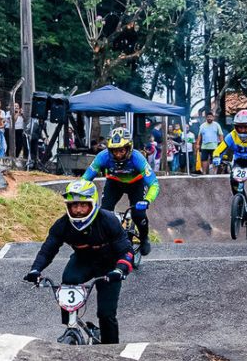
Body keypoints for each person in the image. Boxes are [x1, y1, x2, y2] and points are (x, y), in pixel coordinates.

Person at [23, 180, 134, 345]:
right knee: (68, 280)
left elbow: (127, 251)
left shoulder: (108, 220)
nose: (78, 210)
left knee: (106, 314)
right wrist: (35, 270)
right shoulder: (62, 225)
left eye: (83, 205)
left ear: (92, 204)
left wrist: (120, 269)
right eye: (74, 206)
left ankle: (112, 350)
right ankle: (70, 325)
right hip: (83, 260)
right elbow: (48, 250)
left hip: (110, 265)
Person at [82, 127, 159, 255]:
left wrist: (147, 200)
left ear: (129, 148)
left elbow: (154, 184)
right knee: (104, 213)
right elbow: (85, 179)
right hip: (114, 183)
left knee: (138, 214)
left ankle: (144, 238)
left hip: (136, 184)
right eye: (114, 151)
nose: (117, 154)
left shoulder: (137, 158)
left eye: (121, 150)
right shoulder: (103, 157)